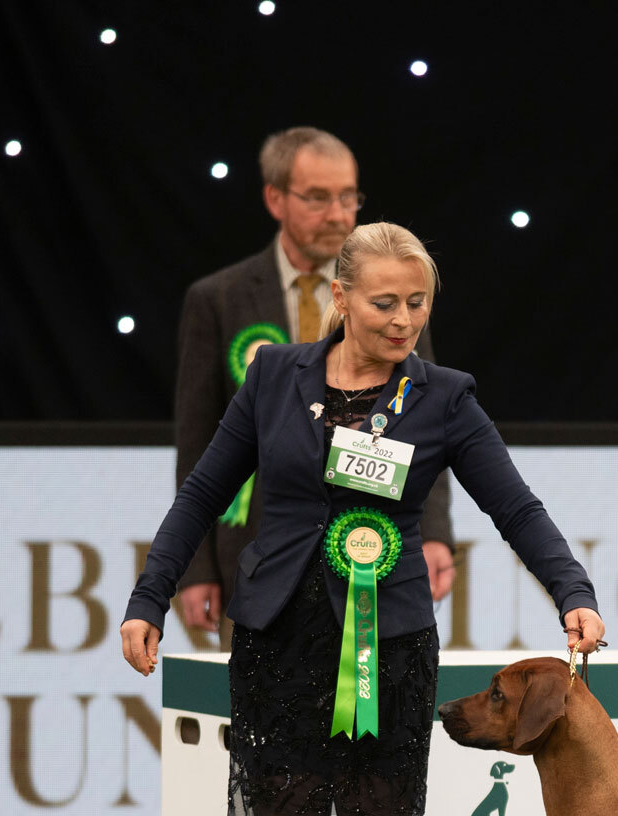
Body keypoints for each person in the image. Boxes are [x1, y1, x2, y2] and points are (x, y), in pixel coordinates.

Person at [124, 223, 603, 816]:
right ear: (339, 297)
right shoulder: (272, 378)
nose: (403, 320)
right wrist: (151, 596)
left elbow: (514, 505)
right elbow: (202, 490)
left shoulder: (445, 397)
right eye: (384, 302)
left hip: (390, 650)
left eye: (417, 303)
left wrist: (571, 589)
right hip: (274, 640)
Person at [173, 126, 455, 646]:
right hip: (255, 563)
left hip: (373, 547)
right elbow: (197, 444)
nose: (338, 214)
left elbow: (427, 419)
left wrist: (434, 533)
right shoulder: (218, 299)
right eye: (319, 197)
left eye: (349, 197)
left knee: (367, 713)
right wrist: (193, 569)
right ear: (275, 198)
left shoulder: (395, 296)